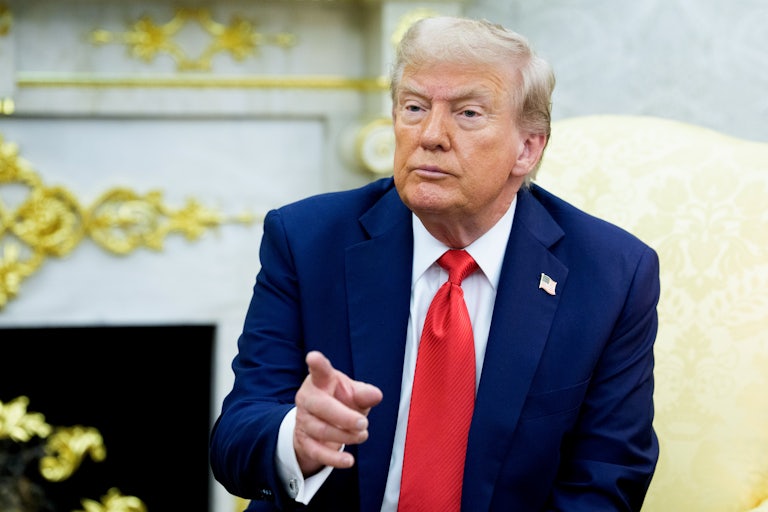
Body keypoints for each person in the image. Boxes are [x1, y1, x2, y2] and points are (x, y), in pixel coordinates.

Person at [209, 15, 660, 512]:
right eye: (414, 107)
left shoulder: (612, 274)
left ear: (527, 148)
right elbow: (234, 439)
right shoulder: (306, 240)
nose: (430, 135)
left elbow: (607, 480)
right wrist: (297, 439)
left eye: (467, 113)